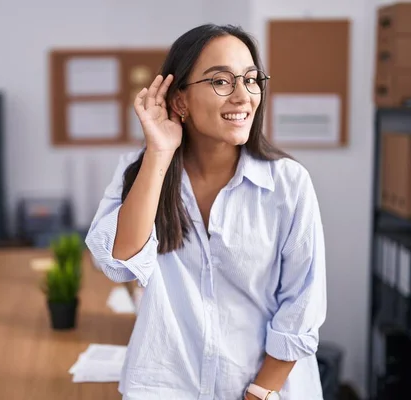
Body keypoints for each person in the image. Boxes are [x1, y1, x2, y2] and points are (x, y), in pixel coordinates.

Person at [85, 23, 327, 400]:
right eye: (220, 81)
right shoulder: (140, 169)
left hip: (266, 391)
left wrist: (259, 393)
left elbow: (301, 308)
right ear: (180, 101)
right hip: (167, 388)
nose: (243, 95)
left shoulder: (288, 184)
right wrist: (159, 152)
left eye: (251, 80)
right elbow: (118, 264)